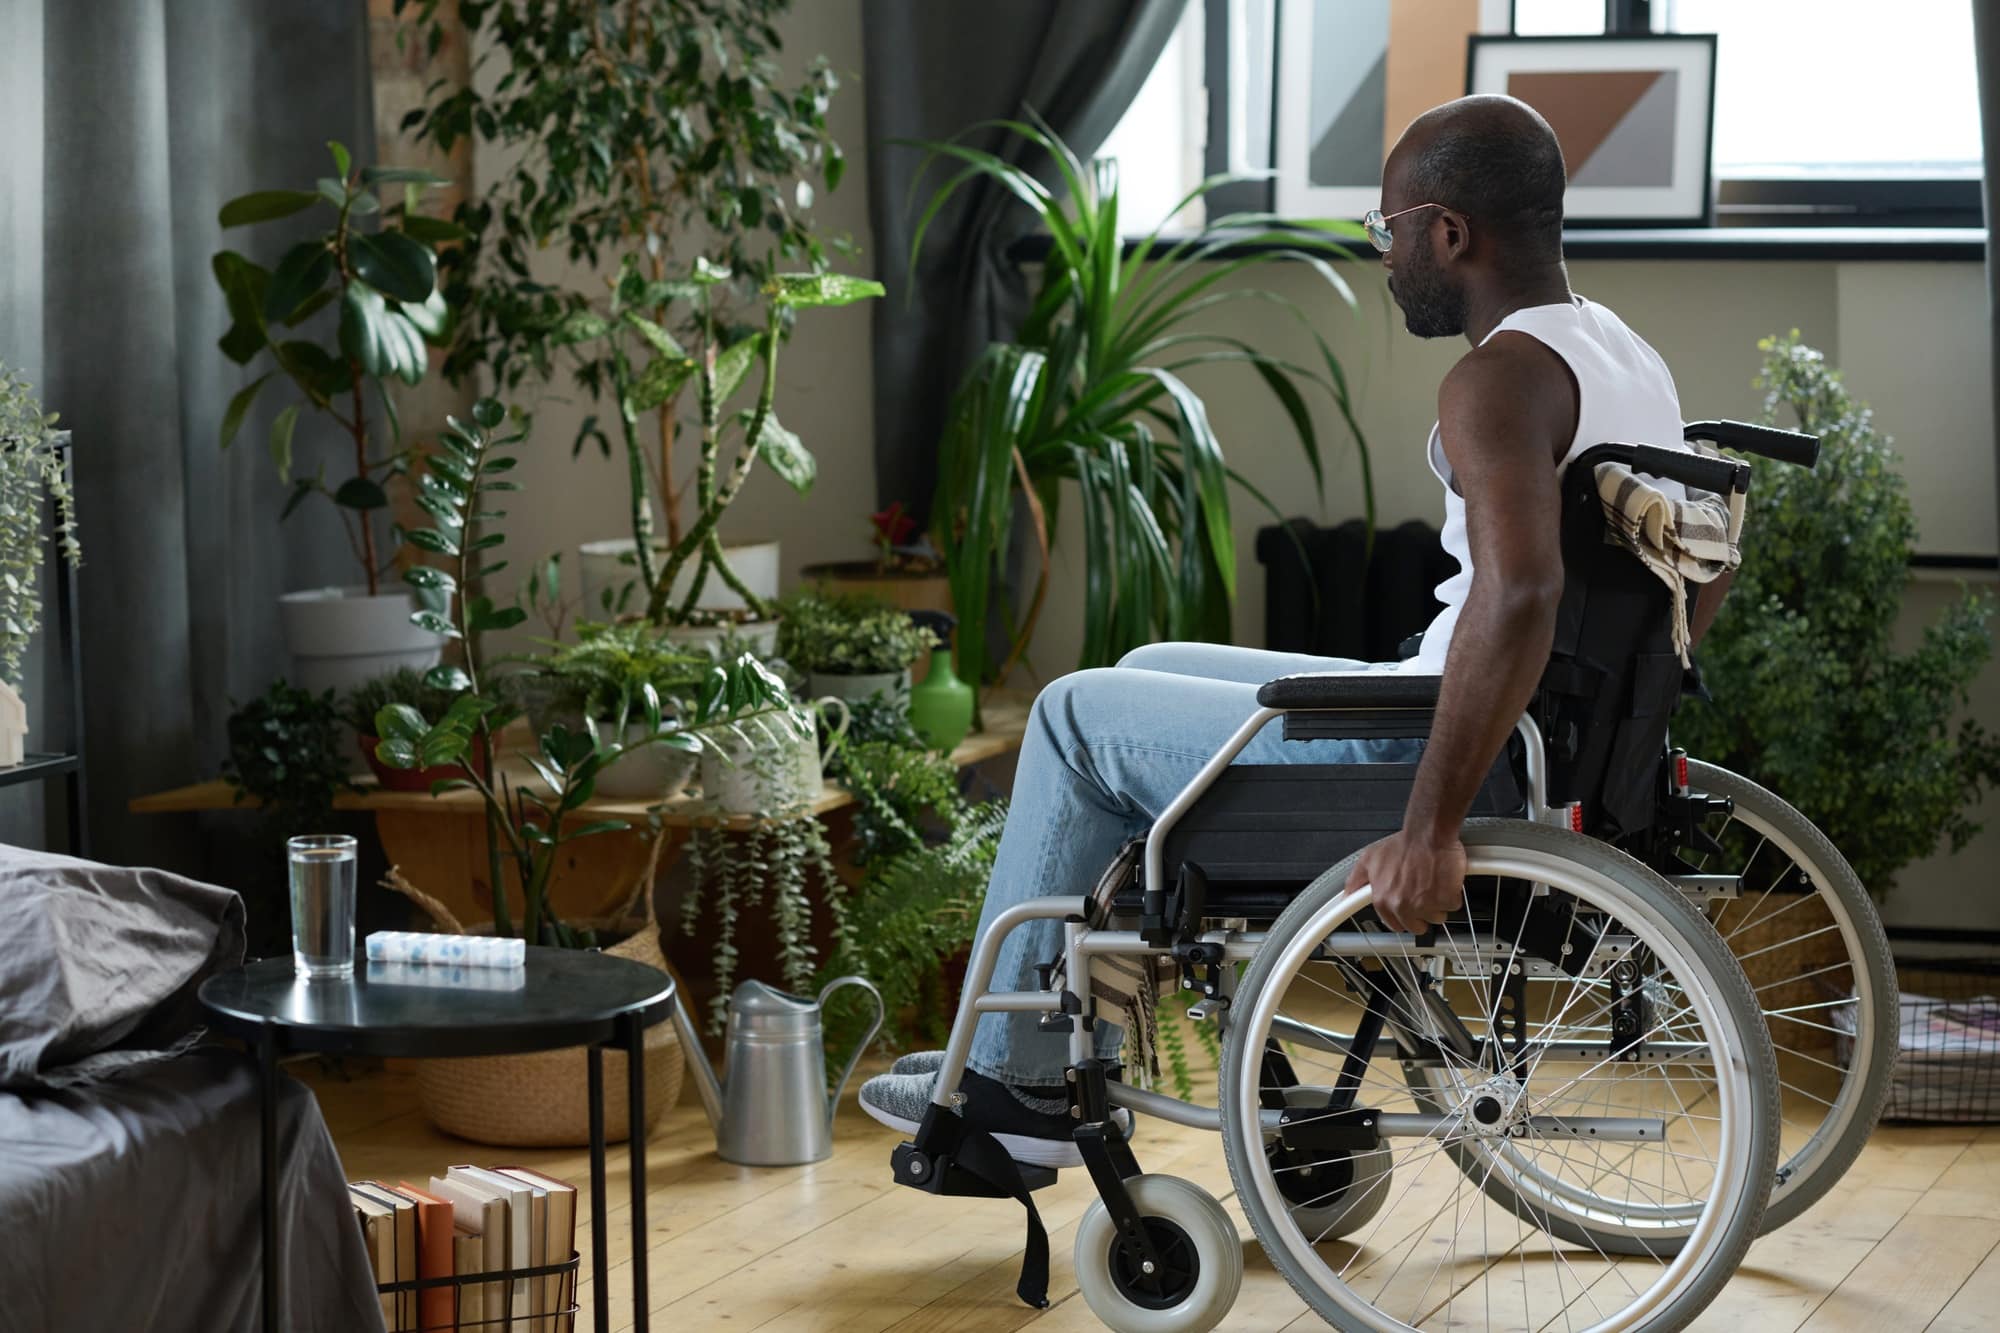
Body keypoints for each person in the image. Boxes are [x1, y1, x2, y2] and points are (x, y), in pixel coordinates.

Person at [858, 94, 1698, 1167]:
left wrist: (1428, 831)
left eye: (1386, 229)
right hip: (1512, 722)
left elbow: (1521, 589)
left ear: (1447, 233)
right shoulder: (1623, 353)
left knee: (1071, 716)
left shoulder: (1495, 379)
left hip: (1429, 740)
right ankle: (1041, 1038)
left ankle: (1019, 1086)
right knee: (1147, 668)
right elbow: (1679, 572)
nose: (1382, 255)